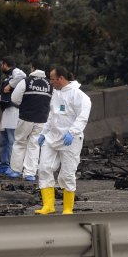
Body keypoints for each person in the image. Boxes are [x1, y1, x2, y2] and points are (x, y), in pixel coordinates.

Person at [35, 66, 91, 215]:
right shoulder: (56, 94)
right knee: (44, 168)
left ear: (61, 78)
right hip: (52, 137)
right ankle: (48, 205)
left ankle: (67, 208)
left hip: (70, 140)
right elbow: (52, 116)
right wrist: (44, 132)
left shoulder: (79, 96)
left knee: (67, 173)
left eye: (53, 79)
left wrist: (72, 132)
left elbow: (82, 117)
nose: (51, 82)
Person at [7, 61, 52, 181]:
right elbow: (53, 103)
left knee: (20, 142)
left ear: (33, 68)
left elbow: (14, 99)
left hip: (26, 117)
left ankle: (16, 170)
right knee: (34, 145)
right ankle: (30, 173)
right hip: (42, 119)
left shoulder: (26, 81)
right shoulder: (49, 84)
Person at [0, 56, 26, 175]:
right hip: (6, 112)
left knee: (12, 142)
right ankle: (4, 164)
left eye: (2, 65)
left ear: (5, 64)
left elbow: (23, 75)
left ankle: (13, 166)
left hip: (14, 112)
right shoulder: (8, 77)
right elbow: (7, 94)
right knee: (3, 141)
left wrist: (10, 85)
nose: (1, 67)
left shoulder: (15, 72)